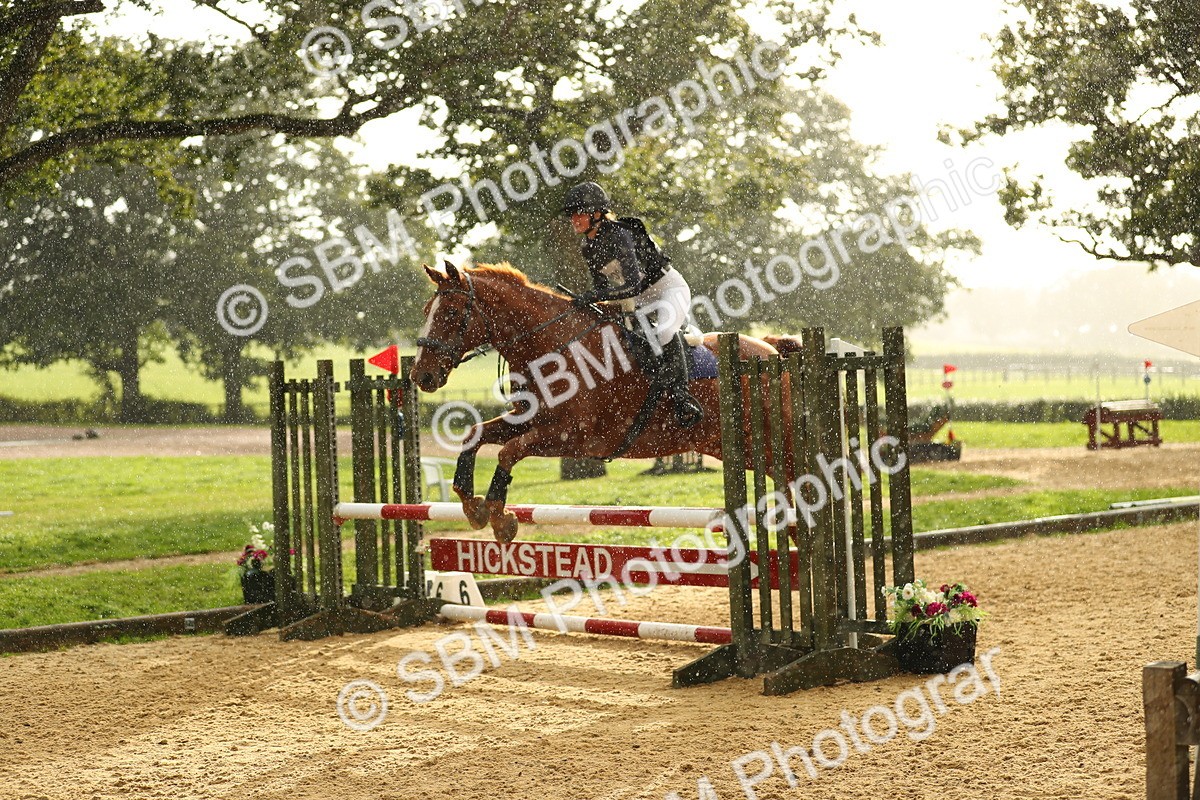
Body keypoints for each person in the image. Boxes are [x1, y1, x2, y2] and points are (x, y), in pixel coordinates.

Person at [561, 181, 703, 428]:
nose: (574, 219)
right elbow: (604, 290)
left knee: (665, 332)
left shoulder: (620, 235)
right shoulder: (589, 248)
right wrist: (586, 301)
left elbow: (632, 286)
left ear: (596, 214)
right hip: (638, 300)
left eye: (579, 213)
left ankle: (682, 398)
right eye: (572, 214)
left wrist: (592, 296)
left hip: (668, 289)